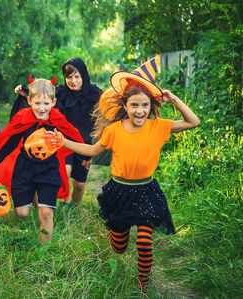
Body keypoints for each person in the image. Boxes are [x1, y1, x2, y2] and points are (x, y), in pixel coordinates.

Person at [46, 58, 200, 294]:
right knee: (119, 247)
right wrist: (63, 142)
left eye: (145, 106)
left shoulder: (157, 126)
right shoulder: (114, 130)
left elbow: (193, 122)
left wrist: (174, 100)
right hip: (120, 191)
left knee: (144, 242)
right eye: (135, 105)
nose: (140, 111)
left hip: (146, 190)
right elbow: (91, 150)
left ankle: (142, 287)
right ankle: (118, 238)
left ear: (151, 106)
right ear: (125, 107)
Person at [0, 78, 84, 243]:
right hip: (25, 169)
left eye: (46, 103)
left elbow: (73, 137)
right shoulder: (24, 118)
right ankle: (31, 196)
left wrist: (83, 157)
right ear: (29, 100)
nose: (41, 108)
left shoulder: (57, 120)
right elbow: (10, 142)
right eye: (37, 103)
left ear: (53, 102)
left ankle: (44, 250)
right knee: (22, 213)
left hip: (49, 169)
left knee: (46, 213)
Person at [14, 57, 103, 206]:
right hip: (61, 140)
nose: (73, 80)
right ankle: (58, 202)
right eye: (69, 77)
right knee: (64, 171)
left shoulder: (95, 94)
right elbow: (42, 95)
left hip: (84, 143)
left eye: (77, 76)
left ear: (83, 75)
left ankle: (73, 207)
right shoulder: (60, 92)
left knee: (79, 185)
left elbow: (109, 106)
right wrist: (25, 91)